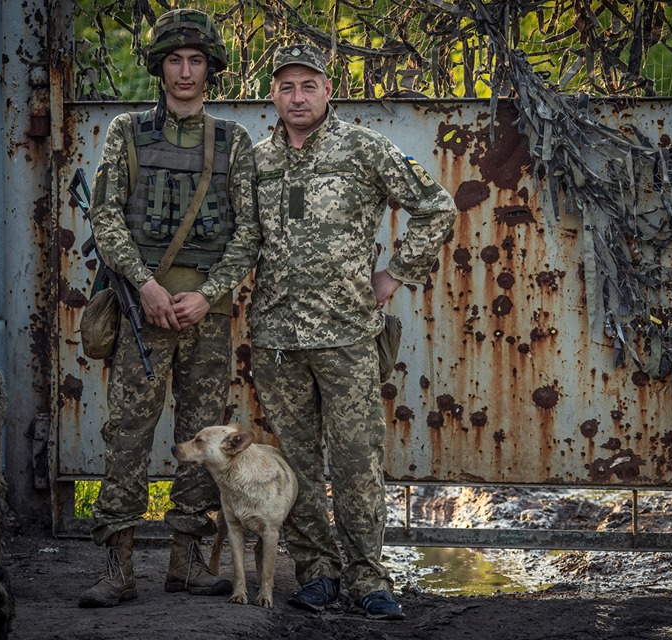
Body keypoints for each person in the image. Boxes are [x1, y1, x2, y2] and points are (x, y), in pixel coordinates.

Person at [173, 43, 458, 620]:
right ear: (272, 95)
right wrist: (207, 293)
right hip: (277, 338)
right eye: (286, 87)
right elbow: (246, 240)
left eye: (308, 86)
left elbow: (437, 205)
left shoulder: (362, 148)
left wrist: (396, 274)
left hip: (349, 334)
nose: (297, 97)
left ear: (328, 91)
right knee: (296, 465)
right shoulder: (256, 159)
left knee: (357, 459)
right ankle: (317, 572)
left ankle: (369, 578)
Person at [78, 9, 257, 608]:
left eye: (196, 60)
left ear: (210, 69)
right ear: (160, 68)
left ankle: (186, 565)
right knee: (127, 434)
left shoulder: (233, 141)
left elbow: (249, 232)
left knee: (201, 437)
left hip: (206, 315)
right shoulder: (127, 132)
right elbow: (105, 216)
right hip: (142, 312)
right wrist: (146, 286)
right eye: (175, 60)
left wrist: (206, 294)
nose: (186, 71)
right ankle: (117, 569)